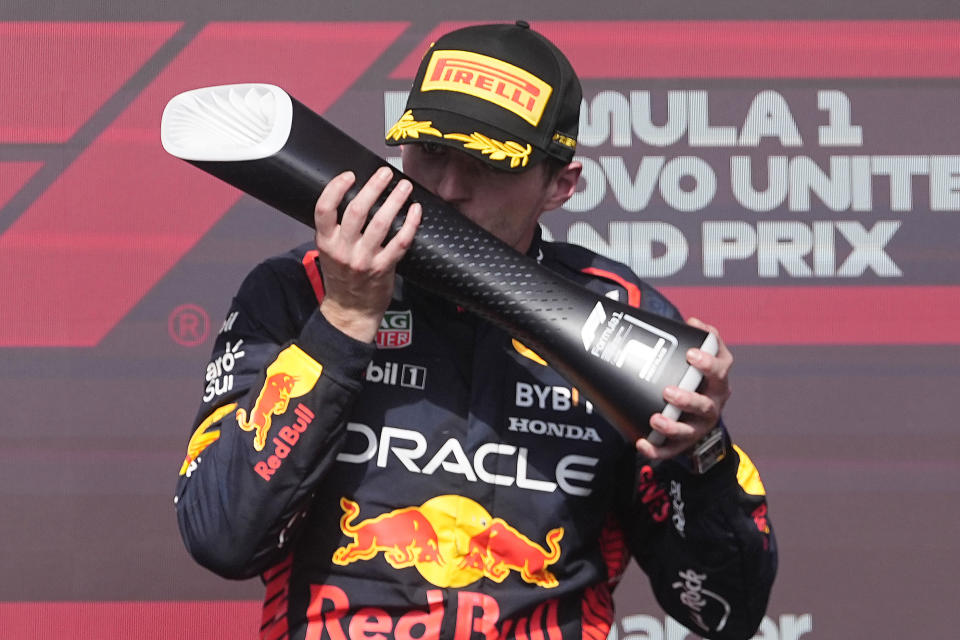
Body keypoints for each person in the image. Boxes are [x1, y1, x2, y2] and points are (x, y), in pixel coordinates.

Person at [174, 21, 777, 640]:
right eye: (431, 151)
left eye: (489, 163)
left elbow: (722, 611)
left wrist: (700, 457)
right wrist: (344, 322)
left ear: (559, 185)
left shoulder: (621, 317)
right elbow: (222, 538)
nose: (448, 188)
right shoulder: (298, 289)